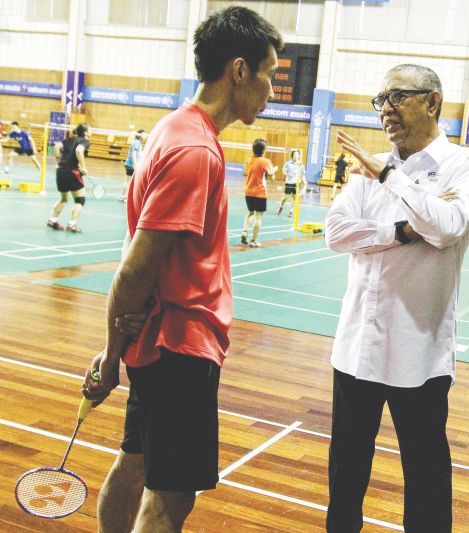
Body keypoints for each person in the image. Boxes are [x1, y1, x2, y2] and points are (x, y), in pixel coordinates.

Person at [81, 7, 283, 533]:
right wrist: (109, 353)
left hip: (158, 341)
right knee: (171, 498)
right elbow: (136, 266)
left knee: (134, 465)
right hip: (180, 346)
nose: (270, 90)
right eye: (269, 74)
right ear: (239, 70)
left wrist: (118, 347)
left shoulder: (173, 127)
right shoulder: (196, 151)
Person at [325, 64, 469, 533]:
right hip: (356, 347)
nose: (385, 111)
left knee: (426, 476)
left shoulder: (467, 165)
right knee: (345, 473)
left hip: (417, 353)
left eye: (396, 97)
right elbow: (336, 233)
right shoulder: (365, 169)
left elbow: (446, 226)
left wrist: (388, 176)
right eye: (380, 101)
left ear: (432, 102)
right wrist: (399, 231)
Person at [47, 123, 91, 233]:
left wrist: (59, 161)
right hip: (72, 172)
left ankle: (52, 220)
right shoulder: (84, 141)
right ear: (85, 132)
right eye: (89, 130)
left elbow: (57, 147)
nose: (91, 132)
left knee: (64, 198)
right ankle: (72, 225)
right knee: (80, 199)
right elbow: (78, 151)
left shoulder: (69, 139)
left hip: (61, 170)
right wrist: (84, 168)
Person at [241, 138, 274, 247]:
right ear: (264, 150)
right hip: (260, 192)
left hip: (248, 191)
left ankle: (244, 231)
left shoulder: (249, 160)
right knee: (258, 217)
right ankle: (254, 240)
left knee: (251, 213)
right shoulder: (266, 161)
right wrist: (272, 172)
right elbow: (272, 178)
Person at [120, 129, 147, 202]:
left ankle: (123, 196)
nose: (145, 136)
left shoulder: (139, 143)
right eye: (144, 134)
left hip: (131, 165)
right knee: (128, 181)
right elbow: (133, 154)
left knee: (129, 181)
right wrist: (136, 164)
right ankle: (124, 197)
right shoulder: (136, 143)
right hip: (131, 165)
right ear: (140, 135)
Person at [277, 149, 305, 216]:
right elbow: (283, 171)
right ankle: (281, 206)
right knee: (286, 197)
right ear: (292, 156)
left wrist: (304, 182)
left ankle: (291, 211)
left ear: (299, 156)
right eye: (294, 154)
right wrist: (288, 174)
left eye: (297, 154)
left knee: (295, 198)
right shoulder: (288, 163)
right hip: (289, 182)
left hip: (297, 183)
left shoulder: (301, 165)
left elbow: (302, 174)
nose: (295, 156)